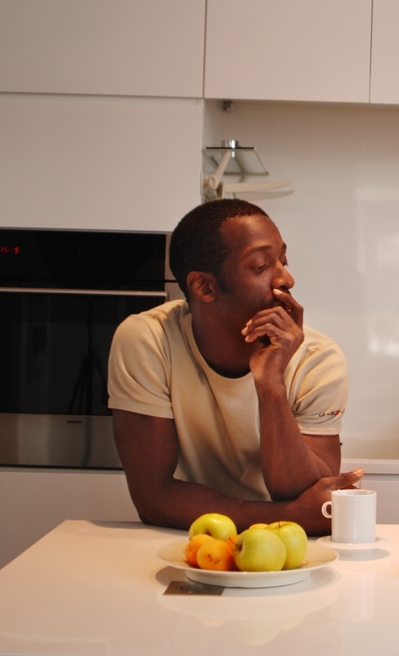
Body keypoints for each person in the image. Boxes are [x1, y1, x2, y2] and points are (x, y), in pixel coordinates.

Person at [108, 199, 361, 535]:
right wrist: (287, 516)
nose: (287, 278)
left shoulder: (318, 358)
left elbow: (309, 497)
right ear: (204, 287)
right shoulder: (148, 340)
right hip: (188, 541)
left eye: (283, 260)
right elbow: (153, 498)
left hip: (288, 547)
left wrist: (271, 383)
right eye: (260, 266)